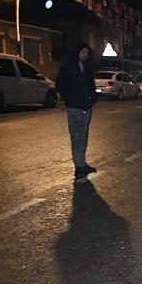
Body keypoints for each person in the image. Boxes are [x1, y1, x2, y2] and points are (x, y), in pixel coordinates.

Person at [55, 42, 99, 183]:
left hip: (87, 107)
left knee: (84, 135)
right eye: (83, 52)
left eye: (87, 53)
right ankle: (78, 166)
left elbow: (91, 86)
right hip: (74, 107)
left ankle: (82, 163)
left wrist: (92, 99)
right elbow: (60, 86)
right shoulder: (67, 67)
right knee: (76, 136)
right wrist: (70, 99)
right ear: (77, 52)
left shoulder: (87, 68)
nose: (85, 55)